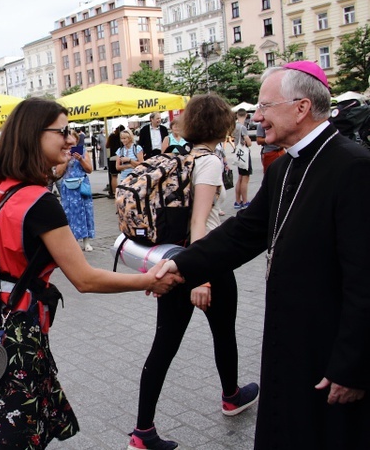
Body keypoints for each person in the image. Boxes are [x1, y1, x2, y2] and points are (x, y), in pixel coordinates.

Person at [156, 61, 370, 449]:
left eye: (264, 106)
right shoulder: (284, 166)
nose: (256, 117)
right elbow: (241, 235)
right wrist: (179, 263)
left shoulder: (354, 166)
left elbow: (365, 277)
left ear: (301, 107)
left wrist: (354, 365)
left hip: (329, 345)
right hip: (287, 338)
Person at [0, 98, 181, 448]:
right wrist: (149, 279)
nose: (71, 139)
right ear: (34, 135)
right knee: (17, 433)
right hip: (20, 330)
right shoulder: (39, 202)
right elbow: (85, 278)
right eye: (63, 131)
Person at [128, 94, 259, 450]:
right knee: (222, 333)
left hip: (172, 261)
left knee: (164, 346)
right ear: (223, 125)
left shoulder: (179, 156)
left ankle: (143, 431)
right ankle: (231, 396)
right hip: (205, 263)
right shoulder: (209, 162)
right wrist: (202, 277)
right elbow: (200, 223)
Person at [55, 130, 95, 251]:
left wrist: (81, 159)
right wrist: (66, 160)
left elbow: (89, 169)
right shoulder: (61, 154)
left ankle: (87, 241)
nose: (70, 146)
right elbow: (58, 173)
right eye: (68, 143)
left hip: (82, 187)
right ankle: (73, 242)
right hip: (68, 188)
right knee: (70, 214)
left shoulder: (83, 151)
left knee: (85, 212)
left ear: (77, 141)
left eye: (73, 143)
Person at [233, 109, 252, 209]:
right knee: (245, 178)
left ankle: (237, 200)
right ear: (246, 115)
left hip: (238, 153)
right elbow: (248, 142)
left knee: (240, 177)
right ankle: (245, 201)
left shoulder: (235, 126)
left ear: (237, 115)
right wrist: (249, 143)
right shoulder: (243, 127)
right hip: (244, 154)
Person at [106, 125, 125, 195]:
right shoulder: (123, 137)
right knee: (125, 174)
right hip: (122, 156)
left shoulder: (111, 136)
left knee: (114, 176)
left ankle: (114, 192)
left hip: (113, 156)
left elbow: (107, 145)